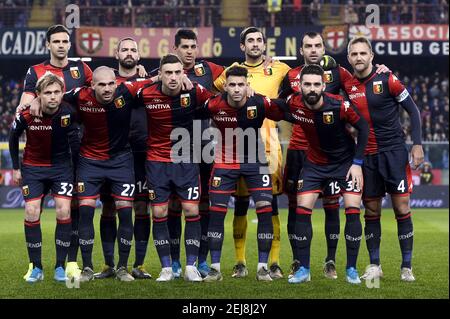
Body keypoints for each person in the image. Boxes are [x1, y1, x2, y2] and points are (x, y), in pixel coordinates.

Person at [279, 31, 389, 279]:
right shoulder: (292, 77)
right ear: (302, 50)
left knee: (334, 207)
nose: (314, 50)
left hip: (340, 156)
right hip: (302, 151)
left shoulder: (338, 74)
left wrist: (378, 72)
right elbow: (278, 105)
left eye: (318, 45)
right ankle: (300, 264)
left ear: (324, 49)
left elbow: (360, 89)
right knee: (296, 207)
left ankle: (336, 262)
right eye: (309, 46)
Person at [31, 67, 145, 282]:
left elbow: (158, 80)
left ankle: (122, 268)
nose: (107, 88)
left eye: (111, 84)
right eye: (101, 84)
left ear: (116, 83)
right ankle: (88, 268)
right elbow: (53, 94)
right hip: (89, 161)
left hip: (121, 161)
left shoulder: (127, 91)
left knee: (125, 213)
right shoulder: (79, 95)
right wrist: (37, 100)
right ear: (92, 85)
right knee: (85, 214)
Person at [344, 37, 424, 282]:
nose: (358, 57)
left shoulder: (387, 79)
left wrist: (418, 144)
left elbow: (413, 110)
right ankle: (375, 264)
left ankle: (406, 266)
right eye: (354, 54)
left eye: (362, 53)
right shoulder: (346, 85)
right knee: (371, 210)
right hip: (366, 156)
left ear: (371, 56)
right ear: (349, 58)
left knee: (402, 207)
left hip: (394, 153)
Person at [214, 27, 290, 279]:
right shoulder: (231, 72)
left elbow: (306, 79)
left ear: (265, 45)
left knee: (272, 206)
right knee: (240, 206)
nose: (255, 44)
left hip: (270, 147)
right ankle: (240, 262)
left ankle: (274, 262)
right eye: (250, 41)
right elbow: (210, 88)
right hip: (237, 149)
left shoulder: (279, 69)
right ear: (242, 46)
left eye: (260, 40)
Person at [282, 64, 369, 284]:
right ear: (299, 86)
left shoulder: (339, 105)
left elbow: (364, 128)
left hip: (345, 164)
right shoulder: (294, 103)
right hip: (314, 164)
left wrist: (357, 163)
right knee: (302, 209)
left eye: (316, 84)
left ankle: (351, 268)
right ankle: (304, 269)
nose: (311, 89)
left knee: (352, 209)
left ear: (323, 85)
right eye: (307, 84)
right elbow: (270, 106)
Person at [199, 66, 286, 282]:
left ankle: (263, 268)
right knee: (217, 215)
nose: (237, 89)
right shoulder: (214, 104)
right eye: (232, 85)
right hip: (224, 162)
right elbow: (189, 112)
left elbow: (285, 110)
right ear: (225, 86)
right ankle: (215, 268)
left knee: (265, 211)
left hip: (255, 162)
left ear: (247, 85)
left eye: (241, 85)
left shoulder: (259, 102)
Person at [19, 24, 92, 280]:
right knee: (37, 210)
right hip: (44, 147)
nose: (61, 45)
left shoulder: (82, 69)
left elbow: (101, 91)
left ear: (69, 44)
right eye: (56, 41)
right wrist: (35, 100)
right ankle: (35, 266)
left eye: (65, 41)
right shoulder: (35, 71)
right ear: (48, 45)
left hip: (76, 145)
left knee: (70, 207)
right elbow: (24, 105)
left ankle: (70, 263)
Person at [136, 54, 214, 282]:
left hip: (187, 162)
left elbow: (218, 104)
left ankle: (190, 266)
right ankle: (167, 268)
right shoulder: (146, 92)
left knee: (191, 211)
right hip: (156, 162)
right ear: (159, 74)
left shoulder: (195, 91)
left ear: (183, 73)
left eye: (177, 72)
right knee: (159, 212)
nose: (172, 77)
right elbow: (120, 91)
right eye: (167, 72)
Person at [9, 74, 79, 283]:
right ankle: (36, 267)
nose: (53, 97)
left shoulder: (69, 112)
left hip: (61, 167)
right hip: (33, 167)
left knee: (64, 210)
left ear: (62, 93)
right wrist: (15, 168)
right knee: (31, 211)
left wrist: (76, 171)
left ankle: (60, 266)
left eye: (57, 92)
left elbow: (75, 144)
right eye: (47, 93)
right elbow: (13, 139)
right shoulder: (26, 115)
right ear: (38, 95)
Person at [167, 29, 225, 278]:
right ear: (175, 49)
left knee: (203, 204)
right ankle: (174, 262)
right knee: (173, 205)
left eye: (193, 46)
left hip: (204, 145)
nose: (190, 51)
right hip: (173, 146)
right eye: (185, 47)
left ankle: (201, 259)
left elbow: (237, 78)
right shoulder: (166, 73)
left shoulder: (210, 71)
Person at [94, 38, 153, 280]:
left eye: (133, 49)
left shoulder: (148, 82)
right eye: (124, 49)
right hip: (112, 153)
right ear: (116, 53)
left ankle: (137, 265)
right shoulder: (105, 81)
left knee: (141, 207)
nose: (129, 53)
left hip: (141, 153)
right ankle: (109, 265)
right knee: (108, 206)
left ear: (139, 56)